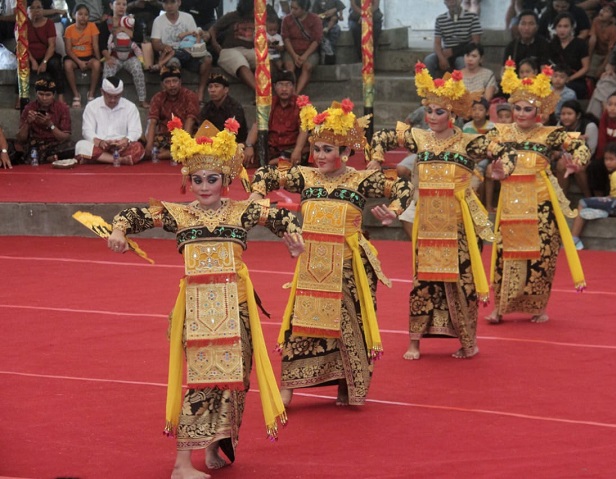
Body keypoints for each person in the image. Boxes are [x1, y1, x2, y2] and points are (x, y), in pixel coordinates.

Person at [108, 117, 303, 479]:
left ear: (226, 180)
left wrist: (293, 236)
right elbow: (131, 215)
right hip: (198, 311)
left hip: (239, 308)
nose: (203, 186)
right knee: (202, 382)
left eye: (211, 179)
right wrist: (119, 231)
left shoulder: (241, 210)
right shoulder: (179, 214)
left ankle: (216, 443)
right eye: (196, 179)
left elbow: (279, 216)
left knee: (236, 381)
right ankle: (182, 464)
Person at [249, 97, 413, 406]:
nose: (319, 156)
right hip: (312, 263)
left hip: (350, 264)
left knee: (349, 325)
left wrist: (394, 210)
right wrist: (256, 195)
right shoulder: (305, 176)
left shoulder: (362, 179)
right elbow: (265, 175)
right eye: (317, 149)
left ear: (346, 151)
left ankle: (347, 384)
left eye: (328, 149)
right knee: (301, 323)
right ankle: (289, 387)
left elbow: (403, 187)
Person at [371, 63, 516, 360]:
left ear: (454, 115)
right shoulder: (419, 138)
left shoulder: (468, 141)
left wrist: (504, 169)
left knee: (462, 283)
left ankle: (467, 340)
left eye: (440, 112)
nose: (433, 117)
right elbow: (381, 137)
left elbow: (505, 149)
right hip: (426, 223)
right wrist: (375, 159)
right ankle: (414, 341)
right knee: (422, 282)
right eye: (430, 111)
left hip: (459, 224)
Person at [484, 59, 590, 324]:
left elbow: (580, 147)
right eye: (516, 108)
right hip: (510, 201)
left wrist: (578, 162)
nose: (520, 113)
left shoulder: (549, 134)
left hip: (541, 201)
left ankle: (537, 306)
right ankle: (500, 307)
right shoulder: (500, 133)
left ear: (538, 111)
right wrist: (492, 168)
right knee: (505, 255)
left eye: (527, 109)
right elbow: (483, 150)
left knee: (542, 255)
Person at [571, 142, 616, 250]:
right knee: (603, 200)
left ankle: (574, 239)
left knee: (582, 203)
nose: (607, 163)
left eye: (611, 159)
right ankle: (603, 212)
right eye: (606, 159)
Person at [243, 70, 309, 167]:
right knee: (242, 154)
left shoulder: (301, 104)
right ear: (274, 87)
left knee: (300, 154)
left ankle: (271, 163)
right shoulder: (269, 103)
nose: (284, 89)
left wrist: (297, 150)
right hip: (271, 148)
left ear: (293, 87)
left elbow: (304, 130)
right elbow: (257, 125)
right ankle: (273, 163)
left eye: (288, 85)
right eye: (280, 85)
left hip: (291, 148)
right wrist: (249, 146)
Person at [151, 0, 212, 103]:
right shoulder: (158, 21)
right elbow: (155, 43)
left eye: (172, 2)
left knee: (208, 58)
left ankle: (200, 92)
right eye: (166, 3)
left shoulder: (188, 17)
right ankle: (176, 97)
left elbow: (195, 35)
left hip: (189, 52)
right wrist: (164, 47)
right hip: (171, 54)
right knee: (173, 63)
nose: (169, 6)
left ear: (178, 3)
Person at [74, 76, 144, 165]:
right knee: (81, 145)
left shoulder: (130, 107)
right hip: (100, 145)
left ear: (121, 93)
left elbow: (136, 130)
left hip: (122, 147)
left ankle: (99, 159)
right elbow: (87, 131)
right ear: (102, 92)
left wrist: (126, 140)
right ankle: (120, 160)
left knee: (139, 148)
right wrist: (99, 142)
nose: (113, 100)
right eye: (109, 96)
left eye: (116, 96)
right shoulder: (92, 106)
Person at [99, 0, 150, 109]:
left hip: (130, 55)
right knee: (108, 69)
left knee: (138, 69)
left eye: (124, 4)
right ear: (111, 6)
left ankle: (142, 99)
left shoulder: (132, 22)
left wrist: (124, 29)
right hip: (113, 55)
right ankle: (105, 99)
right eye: (118, 4)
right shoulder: (106, 23)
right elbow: (102, 44)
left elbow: (139, 38)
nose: (121, 7)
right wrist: (108, 58)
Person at [146, 66, 201, 161]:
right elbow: (152, 122)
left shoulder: (190, 96)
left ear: (180, 82)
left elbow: (190, 120)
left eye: (175, 81)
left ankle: (165, 154)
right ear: (162, 85)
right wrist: (149, 146)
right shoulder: (157, 98)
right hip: (165, 137)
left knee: (200, 144)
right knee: (143, 142)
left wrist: (183, 143)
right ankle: (174, 153)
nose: (172, 85)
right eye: (168, 82)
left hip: (186, 135)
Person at [16, 76, 72, 164]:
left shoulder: (62, 108)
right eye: (41, 94)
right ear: (36, 93)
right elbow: (20, 138)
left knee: (75, 146)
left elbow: (65, 137)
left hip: (56, 145)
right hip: (35, 145)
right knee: (17, 147)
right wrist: (27, 122)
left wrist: (50, 125)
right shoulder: (29, 108)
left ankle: (48, 158)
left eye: (48, 95)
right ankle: (49, 158)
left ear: (54, 95)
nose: (44, 98)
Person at [425, 0, 482, 79]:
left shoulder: (472, 17)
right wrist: (441, 58)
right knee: (429, 60)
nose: (451, 2)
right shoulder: (440, 19)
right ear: (444, 2)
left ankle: (465, 89)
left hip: (464, 53)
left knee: (462, 62)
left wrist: (454, 51)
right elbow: (437, 44)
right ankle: (429, 88)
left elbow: (475, 43)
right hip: (446, 54)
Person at [555, 99, 598, 198]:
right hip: (567, 156)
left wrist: (568, 139)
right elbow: (559, 147)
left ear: (578, 115)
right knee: (560, 163)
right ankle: (562, 200)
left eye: (569, 114)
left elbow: (590, 151)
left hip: (588, 158)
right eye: (563, 114)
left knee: (577, 166)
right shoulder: (559, 125)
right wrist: (575, 138)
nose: (565, 117)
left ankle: (588, 198)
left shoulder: (589, 126)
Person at [63, 4, 101, 109]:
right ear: (74, 15)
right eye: (80, 14)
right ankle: (76, 95)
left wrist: (99, 59)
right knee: (67, 65)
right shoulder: (69, 29)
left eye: (86, 15)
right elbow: (68, 50)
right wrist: (79, 62)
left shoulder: (92, 26)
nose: (83, 17)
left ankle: (91, 94)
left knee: (97, 65)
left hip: (89, 56)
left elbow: (95, 45)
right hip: (74, 58)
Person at [209, 7, 257, 90]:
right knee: (240, 64)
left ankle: (270, 92)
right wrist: (215, 44)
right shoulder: (231, 16)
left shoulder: (258, 18)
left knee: (267, 62)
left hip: (250, 49)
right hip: (230, 49)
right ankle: (260, 94)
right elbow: (213, 29)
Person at [28, 0, 66, 103]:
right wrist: (32, 61)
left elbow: (52, 45)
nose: (36, 10)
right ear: (29, 10)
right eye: (33, 8)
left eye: (39, 7)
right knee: (21, 64)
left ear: (43, 9)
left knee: (55, 63)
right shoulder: (25, 24)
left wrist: (44, 62)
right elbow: (22, 46)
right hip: (30, 55)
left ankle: (61, 97)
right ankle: (21, 97)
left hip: (46, 55)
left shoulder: (49, 23)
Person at [281, 0, 323, 94]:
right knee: (289, 66)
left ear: (304, 9)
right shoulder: (287, 20)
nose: (292, 11)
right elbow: (286, 39)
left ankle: (296, 93)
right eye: (291, 7)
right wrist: (294, 55)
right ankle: (291, 91)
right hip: (291, 50)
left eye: (295, 8)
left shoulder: (315, 19)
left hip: (310, 52)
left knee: (307, 67)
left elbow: (317, 40)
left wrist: (304, 56)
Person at [548, 12, 590, 99]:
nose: (562, 30)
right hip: (555, 79)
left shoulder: (580, 44)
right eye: (559, 26)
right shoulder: (552, 44)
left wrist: (569, 78)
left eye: (566, 26)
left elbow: (585, 68)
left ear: (572, 28)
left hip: (575, 80)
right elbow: (547, 64)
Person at [199, 73, 249, 143]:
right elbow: (203, 127)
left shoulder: (235, 107)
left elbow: (232, 132)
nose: (212, 90)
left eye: (216, 86)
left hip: (234, 144)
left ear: (225, 90)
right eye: (210, 87)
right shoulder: (207, 107)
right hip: (212, 143)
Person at [587, 1, 616, 81]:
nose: (603, 11)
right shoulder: (596, 21)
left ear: (613, 18)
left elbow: (611, 52)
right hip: (596, 53)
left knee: (600, 75)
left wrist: (602, 68)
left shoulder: (614, 30)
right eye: (602, 9)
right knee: (589, 73)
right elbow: (592, 41)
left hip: (607, 56)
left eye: (607, 11)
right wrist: (588, 61)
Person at [311, 0, 345, 65]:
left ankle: (331, 53)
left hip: (332, 22)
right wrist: (324, 15)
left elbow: (340, 7)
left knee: (335, 28)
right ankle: (326, 55)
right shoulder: (317, 2)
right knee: (321, 34)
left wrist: (340, 15)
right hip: (321, 21)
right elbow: (314, 15)